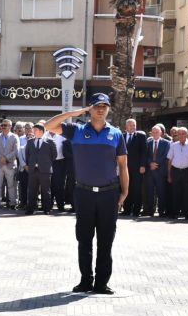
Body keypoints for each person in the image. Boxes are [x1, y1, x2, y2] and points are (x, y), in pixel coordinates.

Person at [45, 93, 128, 295]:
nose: (101, 109)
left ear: (108, 109)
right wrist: (75, 113)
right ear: (89, 109)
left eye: (104, 106)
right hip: (84, 193)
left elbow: (123, 165)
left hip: (109, 194)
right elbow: (48, 126)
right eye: (96, 106)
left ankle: (101, 283)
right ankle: (85, 281)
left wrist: (125, 192)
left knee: (106, 240)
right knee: (84, 239)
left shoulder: (116, 134)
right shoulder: (77, 131)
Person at [167, 127, 188, 220]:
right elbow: (169, 161)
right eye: (179, 134)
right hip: (176, 171)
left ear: (187, 134)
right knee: (176, 193)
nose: (181, 135)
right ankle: (175, 213)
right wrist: (169, 175)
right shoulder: (173, 145)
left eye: (183, 133)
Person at [24, 123, 56, 215]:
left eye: (35, 130)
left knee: (46, 190)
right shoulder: (30, 141)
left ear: (41, 131)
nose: (33, 132)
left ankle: (47, 209)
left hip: (45, 170)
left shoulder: (50, 141)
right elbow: (27, 155)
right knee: (32, 191)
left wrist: (46, 163)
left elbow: (54, 155)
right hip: (33, 170)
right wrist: (30, 165)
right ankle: (30, 209)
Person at [120, 121, 147, 217]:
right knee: (125, 188)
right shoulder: (121, 136)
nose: (132, 127)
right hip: (124, 168)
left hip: (137, 168)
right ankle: (126, 209)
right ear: (126, 126)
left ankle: (136, 210)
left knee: (136, 189)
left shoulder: (141, 136)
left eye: (134, 125)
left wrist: (143, 165)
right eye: (130, 125)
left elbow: (144, 152)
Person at [144, 125, 170, 217]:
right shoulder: (148, 142)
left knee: (161, 192)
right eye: (153, 132)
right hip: (150, 172)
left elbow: (165, 156)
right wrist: (150, 163)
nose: (154, 133)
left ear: (161, 133)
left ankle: (161, 211)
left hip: (161, 171)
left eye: (156, 132)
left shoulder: (167, 143)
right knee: (150, 192)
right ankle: (150, 211)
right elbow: (146, 155)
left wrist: (156, 164)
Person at [0, 119, 19, 209]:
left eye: (5, 125)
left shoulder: (14, 137)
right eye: (2, 125)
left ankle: (12, 203)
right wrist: (1, 158)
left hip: (10, 164)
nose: (3, 127)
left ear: (10, 127)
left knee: (11, 185)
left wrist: (6, 158)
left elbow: (16, 150)